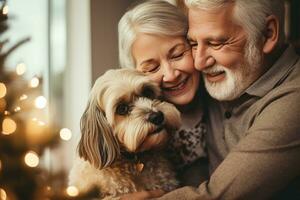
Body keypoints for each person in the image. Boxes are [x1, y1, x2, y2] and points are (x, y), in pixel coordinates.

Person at [122, 0, 300, 199]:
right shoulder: (220, 79)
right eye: (193, 44)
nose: (199, 62)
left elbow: (217, 196)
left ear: (267, 34)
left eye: (216, 43)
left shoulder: (292, 100)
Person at [118, 0, 209, 188]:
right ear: (133, 73)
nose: (171, 75)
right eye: (152, 68)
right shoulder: (134, 129)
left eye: (177, 55)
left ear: (194, 44)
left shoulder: (223, 98)